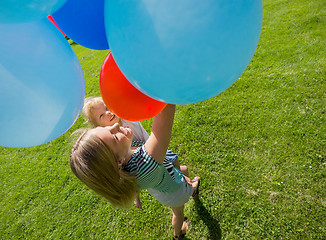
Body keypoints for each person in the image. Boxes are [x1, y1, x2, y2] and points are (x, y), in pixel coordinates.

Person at [70, 104, 200, 239]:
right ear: (118, 161)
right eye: (113, 136)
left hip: (163, 188)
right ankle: (178, 233)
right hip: (176, 192)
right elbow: (166, 105)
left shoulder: (123, 171)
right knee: (178, 213)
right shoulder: (146, 162)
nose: (114, 126)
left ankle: (188, 185)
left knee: (183, 171)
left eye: (107, 128)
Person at [82, 96, 188, 209]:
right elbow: (129, 174)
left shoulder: (125, 117)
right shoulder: (117, 148)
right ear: (99, 127)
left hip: (154, 150)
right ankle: (184, 183)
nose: (108, 113)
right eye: (101, 115)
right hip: (150, 159)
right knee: (171, 172)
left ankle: (183, 180)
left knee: (175, 161)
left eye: (107, 107)